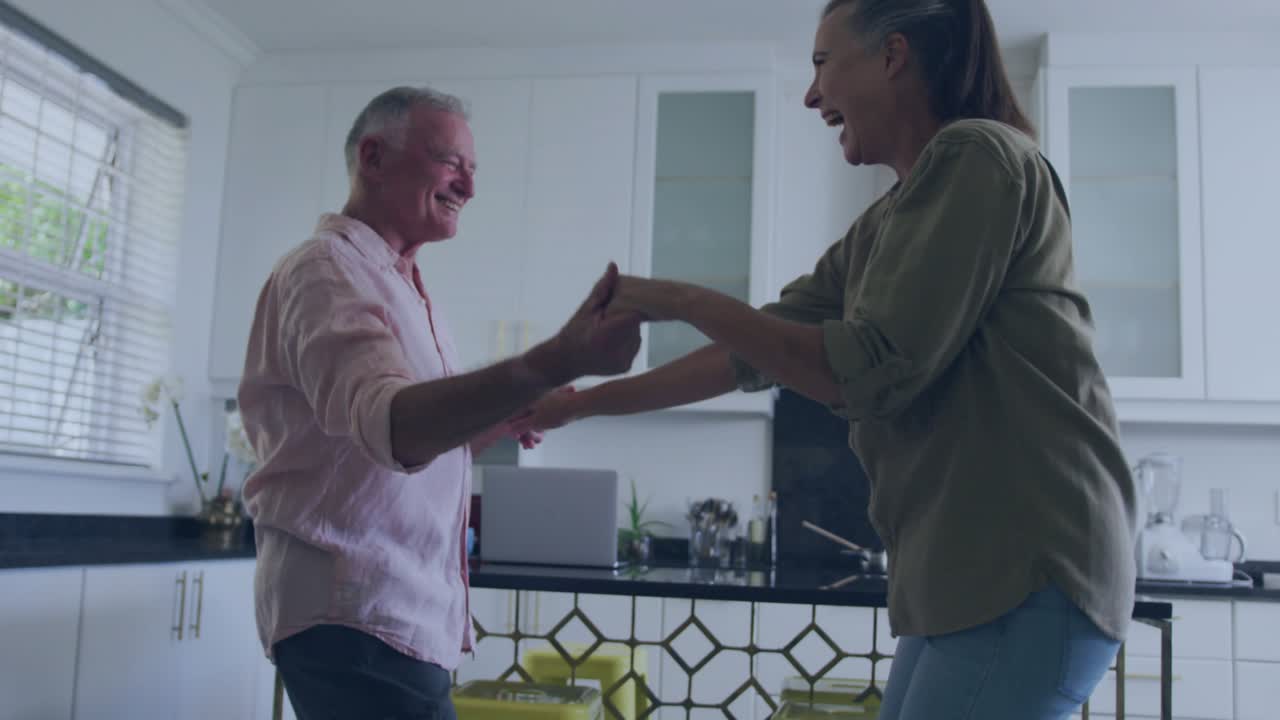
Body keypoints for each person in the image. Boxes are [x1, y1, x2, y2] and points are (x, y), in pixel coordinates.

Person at [513, 1, 1137, 718]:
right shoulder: (885, 225)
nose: (812, 95)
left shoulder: (978, 157)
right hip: (970, 576)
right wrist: (577, 403)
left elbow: (869, 367)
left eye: (819, 64)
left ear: (892, 55)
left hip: (1027, 568)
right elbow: (749, 356)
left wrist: (683, 297)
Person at [236, 86, 642, 720]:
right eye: (452, 163)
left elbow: (394, 450)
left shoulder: (404, 285)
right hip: (355, 615)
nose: (469, 188)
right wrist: (556, 358)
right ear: (373, 157)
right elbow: (393, 425)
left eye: (473, 171)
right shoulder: (327, 270)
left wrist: (497, 418)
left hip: (387, 616)